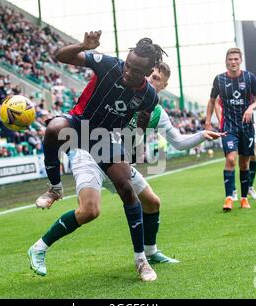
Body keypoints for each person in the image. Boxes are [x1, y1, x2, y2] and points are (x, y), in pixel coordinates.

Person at [30, 31, 164, 282]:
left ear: (146, 74)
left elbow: (143, 119)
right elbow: (59, 56)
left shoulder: (148, 96)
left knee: (127, 189)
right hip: (80, 124)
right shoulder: (108, 64)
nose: (128, 72)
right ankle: (55, 189)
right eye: (128, 65)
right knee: (53, 129)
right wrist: (83, 45)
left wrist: (134, 145)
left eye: (135, 71)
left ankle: (141, 260)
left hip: (105, 139)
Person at [70, 62, 224, 264]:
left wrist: (203, 135)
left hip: (120, 164)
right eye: (150, 74)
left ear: (164, 86)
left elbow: (178, 142)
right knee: (88, 211)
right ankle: (41, 245)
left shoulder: (158, 114)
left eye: (157, 78)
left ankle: (150, 253)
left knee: (152, 202)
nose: (151, 79)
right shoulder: (125, 96)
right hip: (96, 156)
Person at [205, 47, 256, 211]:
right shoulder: (219, 80)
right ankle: (229, 197)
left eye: (236, 59)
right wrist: (208, 121)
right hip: (229, 126)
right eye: (230, 59)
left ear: (240, 60)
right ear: (226, 61)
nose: (233, 62)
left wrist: (252, 107)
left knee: (244, 163)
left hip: (246, 127)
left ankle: (244, 198)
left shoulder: (249, 77)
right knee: (231, 159)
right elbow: (212, 100)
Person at [214, 96, 256, 201]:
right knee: (232, 157)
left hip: (248, 123)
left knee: (253, 155)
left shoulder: (249, 81)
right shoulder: (224, 82)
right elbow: (215, 102)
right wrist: (219, 121)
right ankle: (233, 190)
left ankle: (249, 187)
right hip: (231, 124)